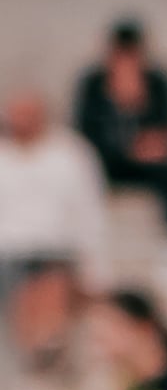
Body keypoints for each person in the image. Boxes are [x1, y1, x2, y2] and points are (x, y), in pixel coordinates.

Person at [0, 86, 105, 364]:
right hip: (8, 254)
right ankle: (36, 347)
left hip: (57, 251)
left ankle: (44, 345)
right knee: (20, 279)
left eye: (28, 114)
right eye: (15, 115)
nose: (21, 122)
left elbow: (89, 212)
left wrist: (95, 269)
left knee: (51, 278)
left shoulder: (71, 154)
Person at [77, 20, 167, 246]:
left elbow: (166, 129)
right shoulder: (93, 84)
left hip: (146, 161)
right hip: (106, 159)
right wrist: (116, 104)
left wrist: (138, 105)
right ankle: (87, 239)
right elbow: (86, 133)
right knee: (81, 170)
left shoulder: (158, 83)